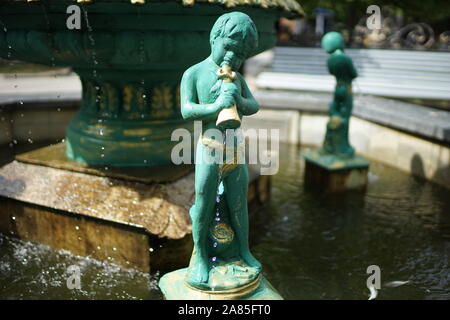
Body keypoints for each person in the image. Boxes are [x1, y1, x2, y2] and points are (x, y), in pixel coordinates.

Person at [180, 12, 261, 288]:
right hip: (209, 148)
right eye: (228, 48)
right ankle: (201, 254)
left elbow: (254, 106)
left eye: (239, 55)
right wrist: (215, 107)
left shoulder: (236, 77)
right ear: (214, 38)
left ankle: (244, 250)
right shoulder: (194, 73)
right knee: (203, 202)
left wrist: (237, 97)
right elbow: (186, 109)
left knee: (240, 202)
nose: (232, 58)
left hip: (234, 150)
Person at [320, 31, 357, 157]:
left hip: (337, 87)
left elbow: (331, 72)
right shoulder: (345, 59)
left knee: (334, 114)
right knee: (345, 117)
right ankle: (342, 147)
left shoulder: (330, 60)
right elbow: (354, 74)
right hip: (346, 88)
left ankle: (329, 146)